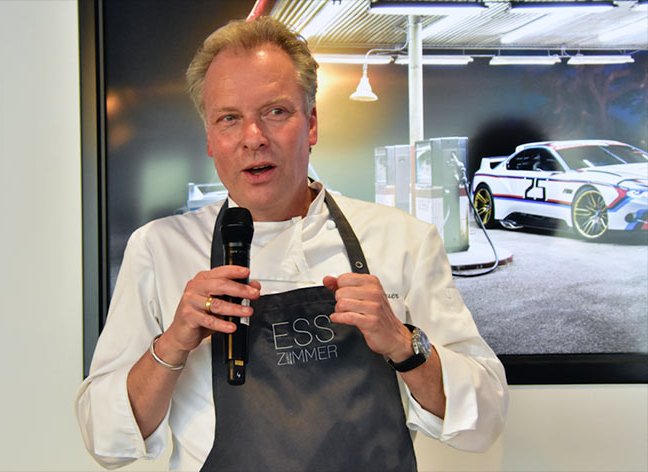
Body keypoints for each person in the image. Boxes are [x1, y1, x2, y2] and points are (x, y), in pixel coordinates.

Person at [76, 16, 508, 471]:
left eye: (275, 112)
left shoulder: (403, 239)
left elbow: (485, 416)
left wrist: (403, 342)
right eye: (229, 119)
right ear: (210, 138)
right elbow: (106, 440)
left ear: (312, 124)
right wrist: (172, 345)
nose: (253, 138)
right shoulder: (160, 249)